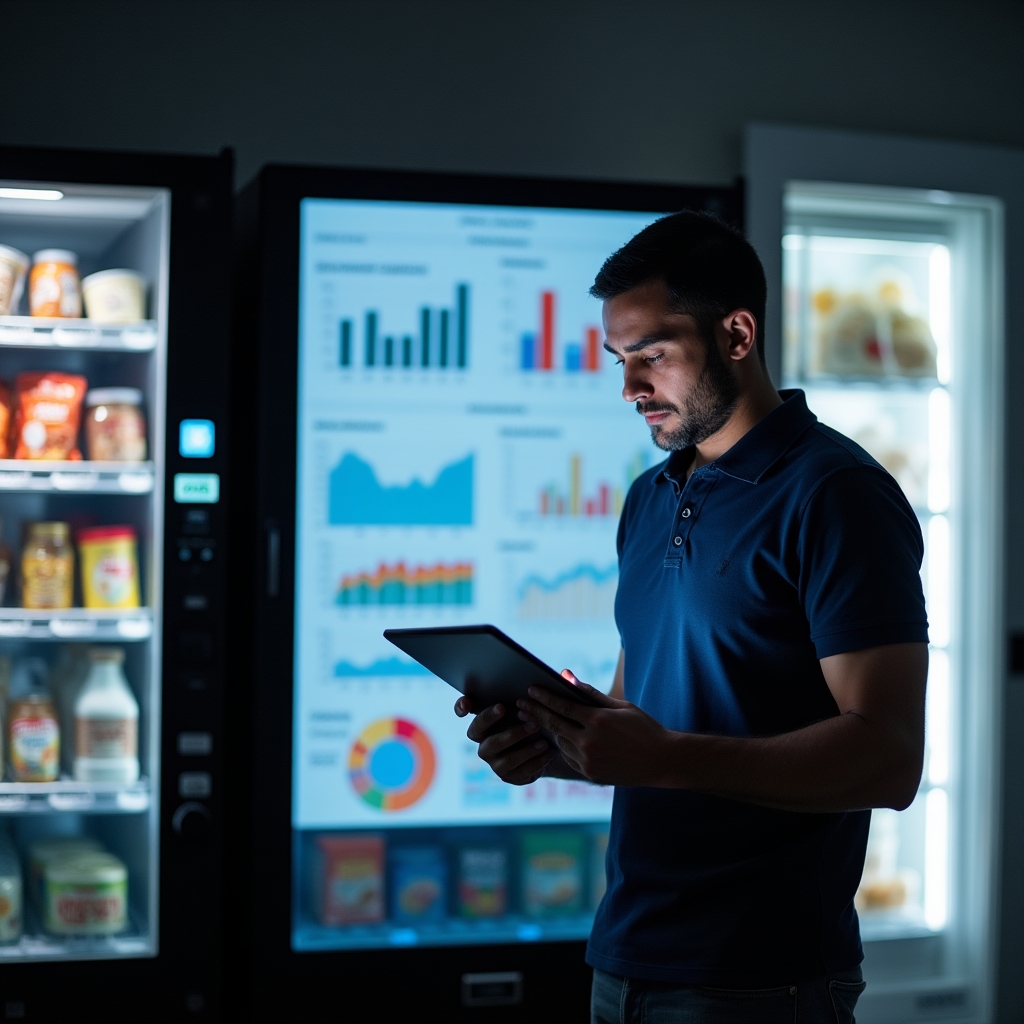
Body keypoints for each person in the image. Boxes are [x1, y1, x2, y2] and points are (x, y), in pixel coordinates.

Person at [455, 211, 929, 1023]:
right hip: (624, 960)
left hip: (761, 977)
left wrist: (665, 756)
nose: (631, 388)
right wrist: (552, 747)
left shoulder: (835, 495)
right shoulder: (647, 500)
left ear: (737, 334)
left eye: (653, 357)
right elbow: (639, 732)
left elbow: (888, 759)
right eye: (620, 361)